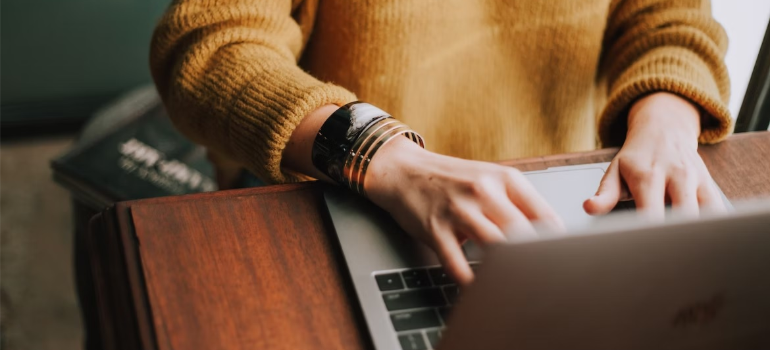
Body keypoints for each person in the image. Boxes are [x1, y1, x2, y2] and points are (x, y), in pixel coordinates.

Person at [150, 0, 732, 285]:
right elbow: (210, 46)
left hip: (554, 214)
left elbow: (670, 19)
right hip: (339, 200)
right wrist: (383, 154)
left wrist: (667, 118)